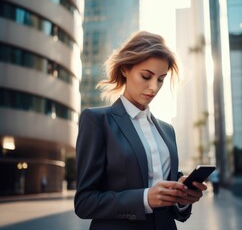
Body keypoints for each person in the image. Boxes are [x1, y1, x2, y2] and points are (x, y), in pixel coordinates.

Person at [74, 31, 207, 230]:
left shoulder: (167, 130)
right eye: (146, 76)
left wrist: (182, 197)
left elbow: (173, 205)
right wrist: (145, 198)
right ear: (125, 69)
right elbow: (84, 203)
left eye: (161, 79)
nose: (153, 88)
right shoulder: (97, 121)